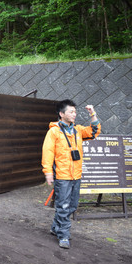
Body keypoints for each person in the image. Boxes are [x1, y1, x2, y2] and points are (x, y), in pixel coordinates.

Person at [42, 99, 101, 249]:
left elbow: (94, 132)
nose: (74, 114)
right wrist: (48, 172)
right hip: (62, 176)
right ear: (61, 114)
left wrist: (92, 114)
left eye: (75, 111)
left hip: (76, 175)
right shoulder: (54, 131)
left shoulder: (78, 130)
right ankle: (64, 235)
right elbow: (47, 152)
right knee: (63, 205)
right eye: (71, 111)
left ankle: (55, 228)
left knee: (72, 205)